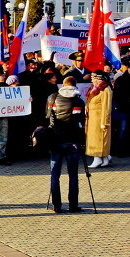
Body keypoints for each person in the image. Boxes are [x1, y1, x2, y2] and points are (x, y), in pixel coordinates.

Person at [46, 76, 86, 213]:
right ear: (75, 86)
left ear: (63, 85)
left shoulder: (53, 98)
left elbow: (47, 116)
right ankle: (73, 205)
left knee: (54, 174)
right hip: (72, 141)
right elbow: (80, 121)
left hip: (55, 140)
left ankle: (56, 205)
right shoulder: (79, 101)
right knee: (73, 174)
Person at [86, 71, 114, 168]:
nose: (92, 80)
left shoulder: (105, 89)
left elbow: (106, 107)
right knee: (94, 138)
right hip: (92, 118)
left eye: (94, 78)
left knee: (99, 139)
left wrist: (104, 121)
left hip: (99, 118)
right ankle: (105, 159)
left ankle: (97, 158)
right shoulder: (94, 88)